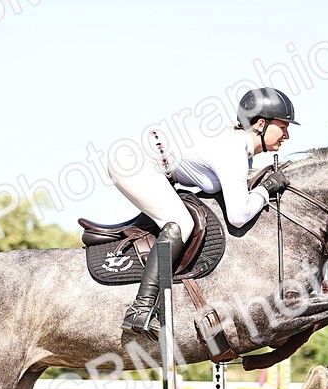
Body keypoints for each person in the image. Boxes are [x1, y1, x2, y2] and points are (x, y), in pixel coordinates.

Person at [111, 87, 298, 336]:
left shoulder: (242, 152)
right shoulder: (234, 150)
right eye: (283, 126)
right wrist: (266, 190)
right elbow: (238, 216)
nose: (287, 135)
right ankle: (141, 308)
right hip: (132, 160)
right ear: (261, 124)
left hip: (150, 163)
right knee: (181, 223)